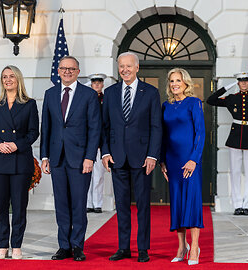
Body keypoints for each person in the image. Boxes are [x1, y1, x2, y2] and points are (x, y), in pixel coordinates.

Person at [101, 52, 162, 263]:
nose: (125, 70)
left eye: (129, 66)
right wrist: (106, 152)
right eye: (121, 66)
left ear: (137, 68)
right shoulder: (110, 93)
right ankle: (124, 247)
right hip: (117, 158)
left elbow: (156, 127)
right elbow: (105, 126)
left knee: (143, 205)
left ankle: (143, 248)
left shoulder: (151, 92)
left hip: (143, 158)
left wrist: (153, 155)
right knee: (122, 205)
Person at [40, 56, 101, 261]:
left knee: (78, 204)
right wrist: (45, 156)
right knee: (61, 204)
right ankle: (63, 246)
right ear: (58, 70)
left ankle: (77, 246)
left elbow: (95, 129)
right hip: (57, 158)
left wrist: (89, 157)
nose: (67, 71)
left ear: (78, 71)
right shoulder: (49, 94)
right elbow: (46, 127)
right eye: (63, 68)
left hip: (80, 159)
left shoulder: (89, 95)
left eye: (71, 69)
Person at [0, 65, 40, 260]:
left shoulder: (29, 104)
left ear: (18, 79)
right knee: (0, 207)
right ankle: (2, 245)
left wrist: (16, 145)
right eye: (4, 77)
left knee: (19, 206)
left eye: (11, 76)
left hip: (19, 162)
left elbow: (33, 132)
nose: (8, 80)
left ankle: (16, 246)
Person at [160, 68, 205, 265]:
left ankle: (194, 247)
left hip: (190, 160)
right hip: (171, 160)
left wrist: (194, 159)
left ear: (186, 82)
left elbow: (200, 133)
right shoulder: (165, 106)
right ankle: (181, 246)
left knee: (192, 203)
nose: (175, 83)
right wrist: (162, 161)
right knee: (177, 203)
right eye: (171, 80)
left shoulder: (194, 103)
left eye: (178, 80)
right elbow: (162, 135)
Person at [206, 72, 248, 216]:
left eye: (246, 81)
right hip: (235, 138)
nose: (244, 83)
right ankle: (237, 205)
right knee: (235, 173)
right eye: (241, 81)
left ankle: (246, 205)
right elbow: (211, 100)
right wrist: (226, 87)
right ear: (238, 83)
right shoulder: (232, 98)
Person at [86, 73, 107, 214]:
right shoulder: (86, 98)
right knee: (86, 175)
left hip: (100, 143)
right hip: (87, 143)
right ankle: (87, 203)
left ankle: (97, 203)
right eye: (94, 82)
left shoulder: (106, 100)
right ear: (91, 84)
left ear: (102, 84)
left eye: (99, 82)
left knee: (99, 176)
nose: (97, 85)